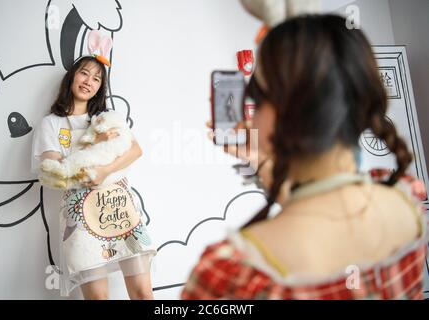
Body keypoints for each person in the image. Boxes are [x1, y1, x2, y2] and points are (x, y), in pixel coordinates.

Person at [181, 14, 428, 300]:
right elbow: (317, 206)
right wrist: (260, 159)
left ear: (280, 114)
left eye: (256, 99)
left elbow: (310, 212)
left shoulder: (230, 272)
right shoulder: (408, 197)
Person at [32, 55, 157, 300]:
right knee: (98, 298)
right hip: (80, 216)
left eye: (97, 78)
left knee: (143, 293)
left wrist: (104, 171)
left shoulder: (105, 118)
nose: (89, 81)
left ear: (101, 87)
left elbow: (135, 150)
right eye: (84, 73)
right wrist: (96, 145)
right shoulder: (51, 124)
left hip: (119, 207)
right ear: (72, 77)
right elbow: (54, 172)